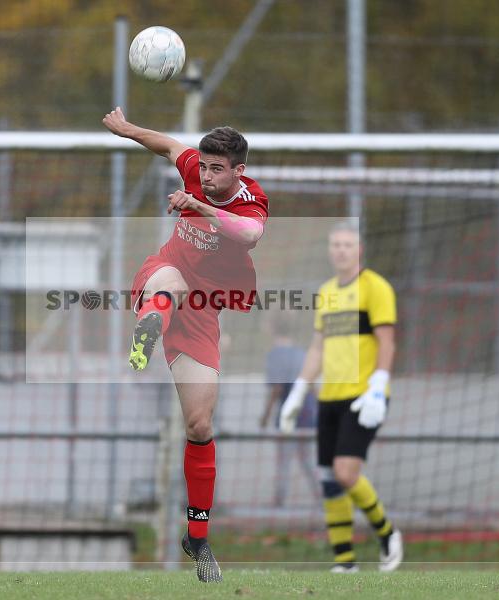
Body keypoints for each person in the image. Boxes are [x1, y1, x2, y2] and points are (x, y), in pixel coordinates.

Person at [103, 106, 268, 583]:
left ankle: (197, 537)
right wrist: (127, 129)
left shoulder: (251, 200)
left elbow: (250, 233)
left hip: (202, 311)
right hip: (164, 276)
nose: (207, 175)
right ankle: (147, 329)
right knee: (170, 281)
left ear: (238, 171)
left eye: (218, 169)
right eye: (205, 167)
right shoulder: (195, 167)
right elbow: (169, 146)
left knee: (199, 424)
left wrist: (201, 206)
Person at [280, 221, 404, 573]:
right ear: (329, 250)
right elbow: (318, 348)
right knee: (328, 478)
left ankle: (387, 533)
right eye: (335, 245)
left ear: (359, 249)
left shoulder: (376, 287)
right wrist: (298, 391)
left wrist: (378, 385)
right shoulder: (327, 292)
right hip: (329, 398)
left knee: (346, 473)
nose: (341, 250)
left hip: (363, 397)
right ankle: (345, 562)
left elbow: (387, 341)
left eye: (347, 245)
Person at [260, 312, 319, 506]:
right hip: (307, 413)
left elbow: (277, 389)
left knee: (284, 460)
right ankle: (322, 498)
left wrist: (265, 415)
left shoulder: (275, 355)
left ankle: (279, 502)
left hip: (290, 415)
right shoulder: (300, 352)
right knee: (307, 459)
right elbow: (311, 384)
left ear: (272, 327)